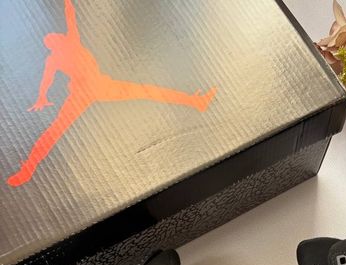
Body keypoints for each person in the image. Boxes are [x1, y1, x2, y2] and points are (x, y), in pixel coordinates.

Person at [7, 0, 216, 187]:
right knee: (56, 129)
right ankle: (27, 169)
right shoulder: (61, 52)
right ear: (54, 44)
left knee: (147, 91)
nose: (58, 38)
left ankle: (196, 101)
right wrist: (42, 96)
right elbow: (47, 79)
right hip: (84, 92)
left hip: (98, 86)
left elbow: (70, 16)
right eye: (55, 39)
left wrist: (42, 97)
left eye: (56, 36)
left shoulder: (68, 45)